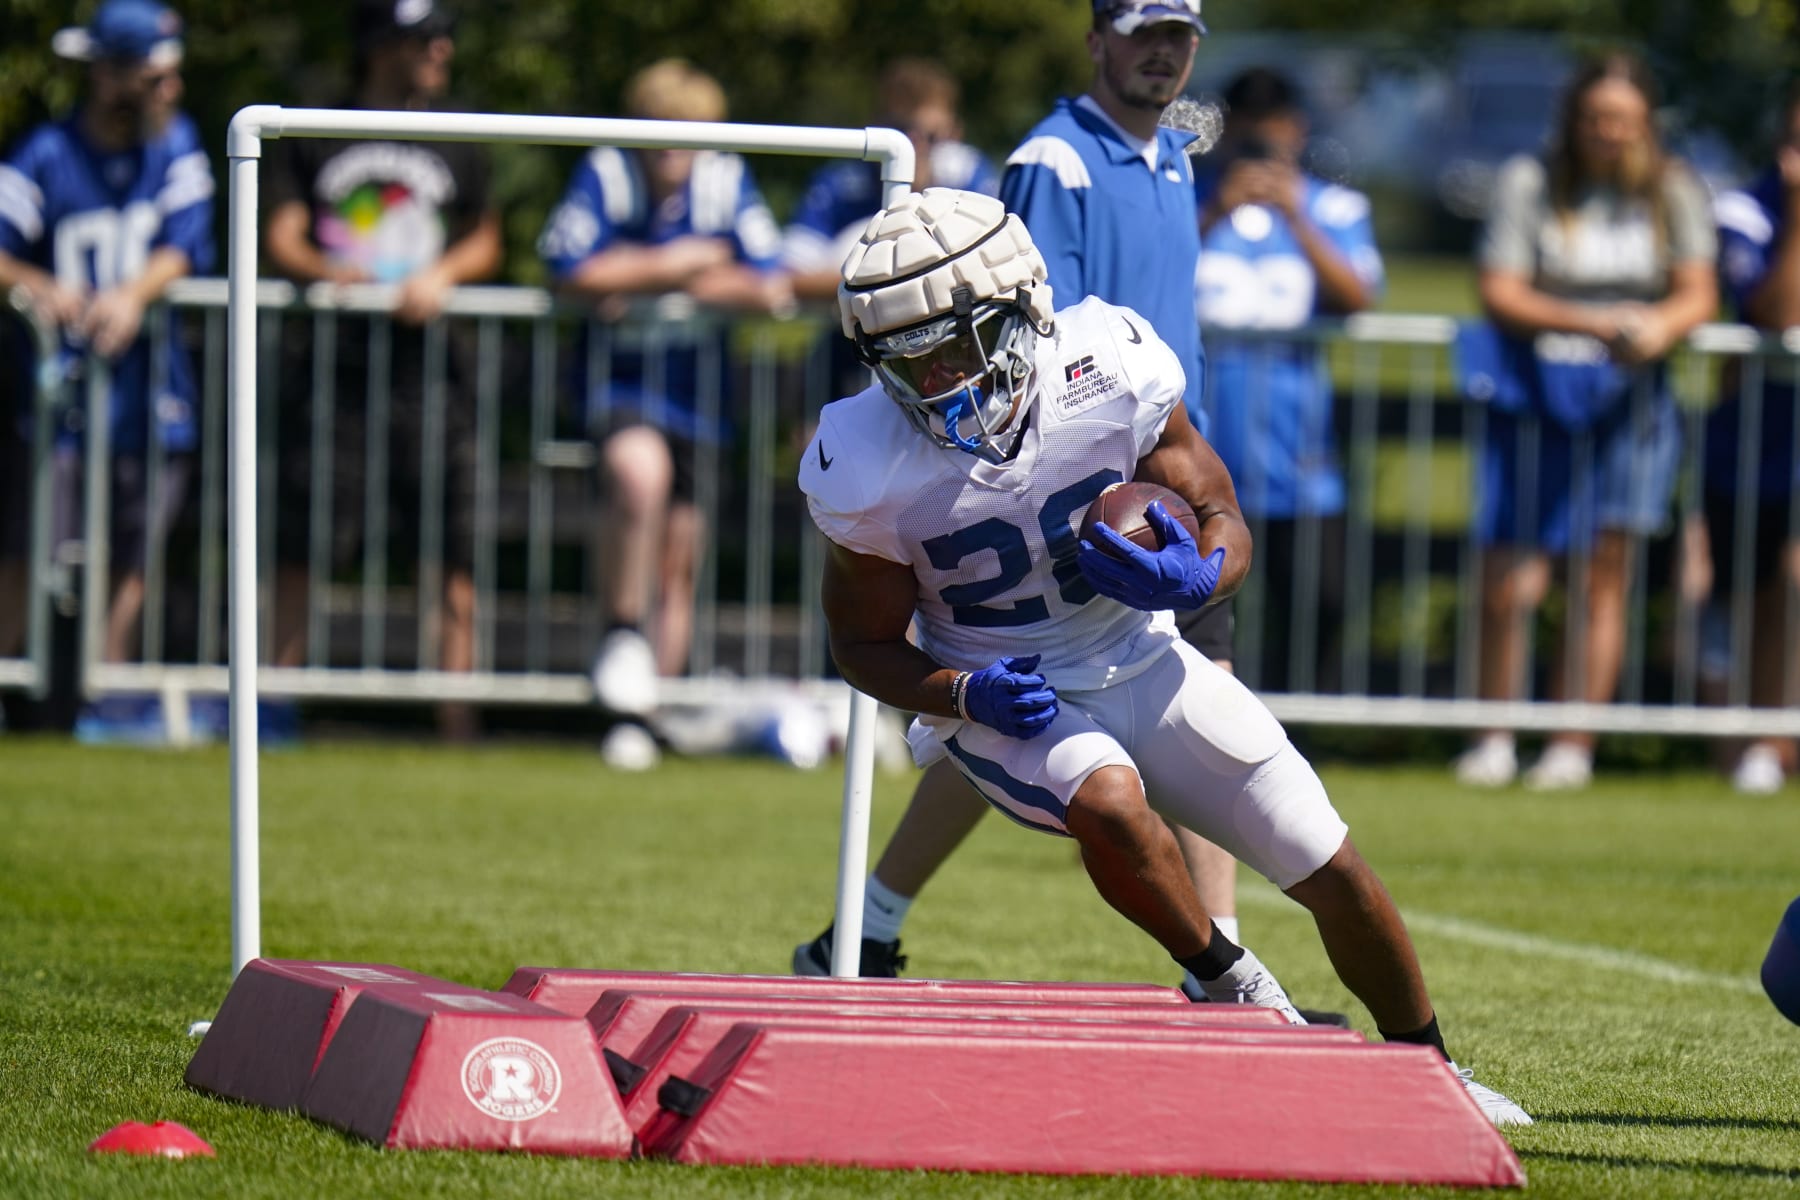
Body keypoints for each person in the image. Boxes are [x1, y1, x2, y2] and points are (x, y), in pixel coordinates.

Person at [801, 185, 1529, 1127]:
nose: (936, 379)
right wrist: (964, 691)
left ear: (1022, 308)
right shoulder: (859, 454)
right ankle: (1230, 983)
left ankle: (1433, 1073)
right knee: (1108, 797)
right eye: (908, 360)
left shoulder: (1105, 361)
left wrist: (1201, 577)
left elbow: (1220, 511)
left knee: (1331, 863)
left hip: (1140, 652)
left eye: (953, 344)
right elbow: (860, 644)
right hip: (1010, 691)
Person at [795, 0, 1265, 1010]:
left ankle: (867, 924)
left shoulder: (1174, 151)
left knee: (1019, 725)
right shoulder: (1055, 161)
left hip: (1161, 465)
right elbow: (1028, 321)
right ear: (1097, 37)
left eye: (1181, 34)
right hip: (1072, 482)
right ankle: (1224, 966)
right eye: (1144, 31)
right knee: (1131, 709)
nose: (1164, 52)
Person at [1453, 52, 1717, 790]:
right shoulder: (1529, 181)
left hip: (1630, 406)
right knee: (1513, 577)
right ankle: (1494, 736)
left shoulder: (1673, 188)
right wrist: (1594, 322)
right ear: (1574, 119)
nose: (1610, 134)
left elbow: (1699, 291)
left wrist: (1661, 327)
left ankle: (1574, 744)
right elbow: (1499, 288)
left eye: (1624, 122)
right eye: (1597, 119)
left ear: (1645, 125)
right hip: (1535, 395)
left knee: (1604, 577)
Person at [540, 58, 792, 770]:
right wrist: (682, 263)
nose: (674, 150)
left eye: (690, 135)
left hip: (700, 395)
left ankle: (645, 713)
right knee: (636, 477)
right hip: (620, 384)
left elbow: (768, 281)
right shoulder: (606, 171)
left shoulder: (727, 178)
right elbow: (571, 268)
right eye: (662, 133)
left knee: (679, 556)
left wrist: (644, 268)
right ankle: (622, 639)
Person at [265, 0, 500, 742]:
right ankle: (274, 710)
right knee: (305, 547)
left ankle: (455, 726)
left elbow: (486, 236)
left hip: (434, 377)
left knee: (451, 553)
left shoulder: (462, 130)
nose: (441, 48)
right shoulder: (314, 127)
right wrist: (329, 272)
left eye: (444, 36)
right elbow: (282, 234)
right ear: (379, 44)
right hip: (335, 374)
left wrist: (443, 276)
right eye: (425, 36)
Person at [0, 0, 212, 719]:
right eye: (157, 78)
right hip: (58, 398)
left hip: (151, 396)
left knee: (132, 558)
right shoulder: (47, 153)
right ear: (111, 74)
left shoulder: (175, 146)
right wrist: (41, 285)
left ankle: (108, 696)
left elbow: (186, 243)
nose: (170, 92)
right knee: (26, 553)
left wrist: (129, 295)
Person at [1194, 66, 1382, 694]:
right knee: (1203, 600)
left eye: (1270, 138)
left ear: (1296, 133)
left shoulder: (1334, 208)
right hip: (1205, 442)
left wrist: (1297, 217)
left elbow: (1357, 296)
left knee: (1317, 600)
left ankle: (1295, 726)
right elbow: (1154, 278)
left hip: (1299, 451)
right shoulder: (1192, 198)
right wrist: (1219, 208)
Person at [1697, 82, 1800, 793]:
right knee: (1765, 590)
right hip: (1760, 438)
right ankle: (1761, 740)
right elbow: (1774, 309)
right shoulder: (1745, 209)